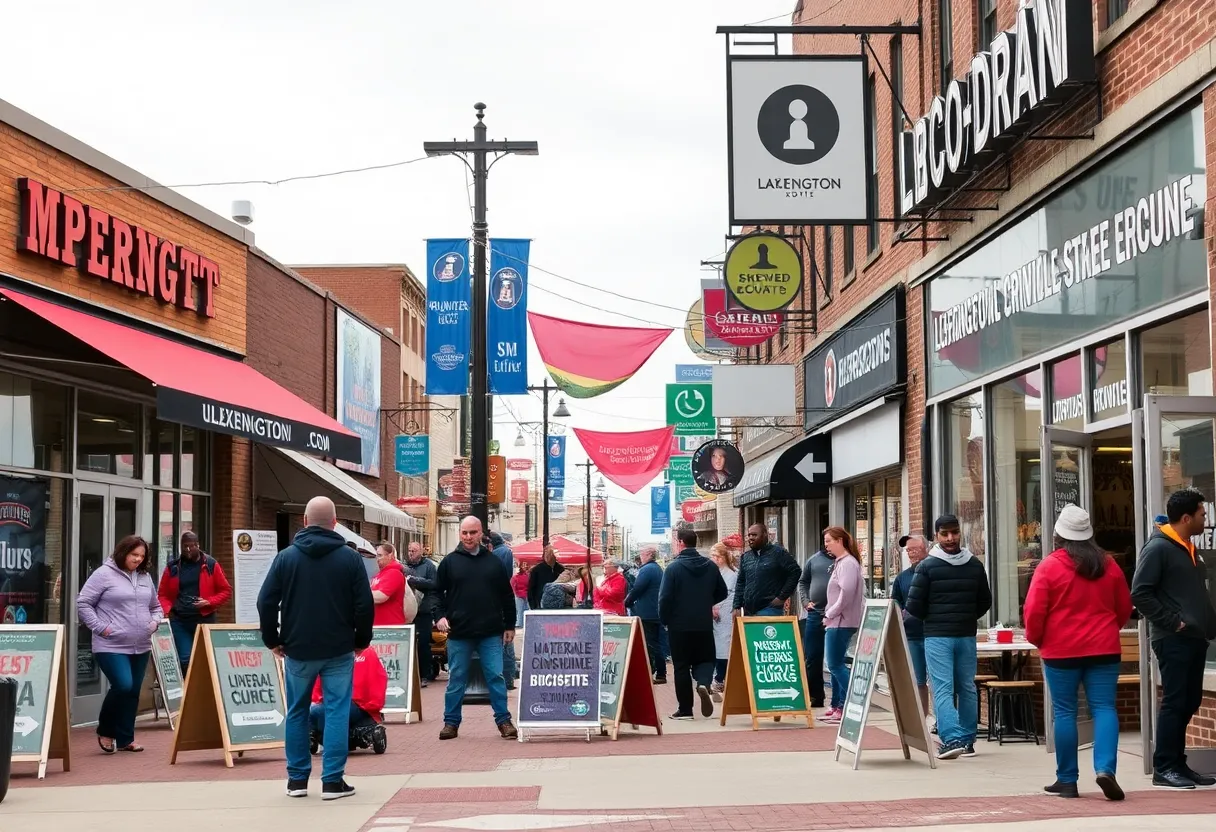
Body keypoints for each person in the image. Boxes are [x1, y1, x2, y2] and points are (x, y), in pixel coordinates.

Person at [257, 496, 374, 800]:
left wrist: (272, 639)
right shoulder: (350, 559)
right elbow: (364, 605)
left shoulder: (286, 557)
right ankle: (332, 781)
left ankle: (297, 780)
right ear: (335, 523)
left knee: (297, 712)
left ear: (305, 522)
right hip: (338, 647)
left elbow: (265, 601)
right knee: (336, 711)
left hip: (297, 647)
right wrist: (361, 640)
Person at [1025, 505, 1132, 801]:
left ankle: (1067, 780)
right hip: (1104, 648)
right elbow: (1124, 607)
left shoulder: (1048, 566)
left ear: (1058, 534)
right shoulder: (1109, 565)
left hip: (1061, 651)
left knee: (1065, 713)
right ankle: (1105, 770)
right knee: (1105, 708)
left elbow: (1034, 612)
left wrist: (1038, 640)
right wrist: (1109, 628)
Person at [1131, 488, 1216, 789]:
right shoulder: (1158, 549)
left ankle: (1178, 763)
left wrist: (1208, 625)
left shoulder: (1187, 548)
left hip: (1194, 638)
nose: (1205, 518)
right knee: (1175, 701)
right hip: (1173, 639)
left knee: (1189, 700)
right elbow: (1140, 593)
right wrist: (1175, 622)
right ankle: (1164, 767)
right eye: (1202, 513)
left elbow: (1196, 595)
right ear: (1186, 517)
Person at [905, 514, 992, 760]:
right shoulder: (973, 564)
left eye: (954, 532)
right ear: (936, 536)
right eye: (945, 534)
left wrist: (934, 619)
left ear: (959, 533)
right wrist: (965, 616)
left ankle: (953, 739)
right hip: (962, 633)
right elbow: (984, 602)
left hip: (941, 635)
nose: (951, 538)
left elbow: (914, 606)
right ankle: (966, 739)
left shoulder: (927, 566)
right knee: (965, 687)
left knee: (946, 688)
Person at [76, 535, 162, 754]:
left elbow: (156, 606)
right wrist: (102, 628)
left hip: (140, 644)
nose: (138, 560)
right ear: (123, 552)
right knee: (123, 685)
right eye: (134, 555)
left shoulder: (144, 577)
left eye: (142, 556)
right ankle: (105, 729)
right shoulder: (103, 574)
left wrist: (154, 623)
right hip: (110, 644)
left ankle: (126, 739)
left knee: (132, 691)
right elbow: (84, 603)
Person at [435, 516, 518, 740]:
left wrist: (509, 624)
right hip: (459, 633)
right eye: (464, 533)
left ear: (481, 533)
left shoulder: (493, 562)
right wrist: (439, 616)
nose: (468, 537)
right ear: (460, 534)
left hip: (490, 632)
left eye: (473, 532)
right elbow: (436, 593)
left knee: (496, 677)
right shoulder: (449, 562)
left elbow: (507, 596)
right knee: (457, 679)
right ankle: (451, 723)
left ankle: (504, 721)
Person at [660, 529, 728, 720]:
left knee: (681, 666)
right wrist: (706, 601)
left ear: (680, 542)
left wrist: (665, 619)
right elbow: (722, 592)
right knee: (705, 659)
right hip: (703, 623)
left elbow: (664, 598)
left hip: (679, 625)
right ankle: (704, 683)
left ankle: (685, 710)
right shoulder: (710, 566)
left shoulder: (673, 568)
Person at [157, 531, 231, 678]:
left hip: (204, 620)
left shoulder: (210, 564)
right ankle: (190, 694)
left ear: (198, 545)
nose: (188, 550)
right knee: (186, 659)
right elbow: (162, 594)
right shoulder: (172, 567)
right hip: (180, 621)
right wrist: (168, 609)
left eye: (192, 546)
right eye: (185, 547)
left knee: (206, 659)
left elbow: (226, 590)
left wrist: (209, 602)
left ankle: (204, 692)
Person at [309, 643, 388, 756]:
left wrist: (373, 704)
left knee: (316, 711)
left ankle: (319, 739)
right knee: (315, 711)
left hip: (356, 703)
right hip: (344, 702)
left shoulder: (364, 653)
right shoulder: (363, 652)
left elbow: (376, 679)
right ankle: (316, 738)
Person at [820, 527, 864, 724]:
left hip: (841, 621)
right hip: (837, 620)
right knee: (835, 663)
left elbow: (846, 594)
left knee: (835, 664)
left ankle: (852, 702)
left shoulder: (847, 564)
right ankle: (838, 704)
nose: (826, 544)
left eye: (829, 540)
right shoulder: (841, 563)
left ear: (840, 541)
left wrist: (830, 613)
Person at [890, 534, 930, 716]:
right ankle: (922, 717)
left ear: (926, 549)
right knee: (918, 680)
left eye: (915, 549)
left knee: (940, 682)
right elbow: (895, 603)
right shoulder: (902, 578)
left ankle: (941, 720)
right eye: (908, 550)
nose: (911, 553)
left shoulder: (934, 571)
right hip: (912, 635)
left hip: (934, 634)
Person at [732, 524, 800, 618]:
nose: (750, 538)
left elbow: (795, 572)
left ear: (764, 535)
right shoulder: (746, 557)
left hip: (769, 608)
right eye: (749, 535)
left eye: (754, 535)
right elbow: (740, 582)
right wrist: (737, 606)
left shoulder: (778, 553)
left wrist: (782, 597)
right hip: (748, 611)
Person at [797, 544, 834, 709]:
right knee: (812, 657)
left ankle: (840, 699)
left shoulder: (845, 560)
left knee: (835, 659)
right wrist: (805, 601)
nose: (828, 544)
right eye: (826, 540)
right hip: (815, 614)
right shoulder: (814, 560)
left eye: (831, 540)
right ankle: (816, 696)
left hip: (837, 616)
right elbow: (803, 582)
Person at [625, 545, 665, 683]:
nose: (640, 556)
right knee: (654, 642)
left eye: (642, 553)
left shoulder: (647, 569)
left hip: (647, 612)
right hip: (654, 611)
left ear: (649, 555)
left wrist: (627, 601)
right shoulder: (657, 569)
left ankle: (654, 673)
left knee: (650, 644)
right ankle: (660, 673)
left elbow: (638, 588)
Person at [404, 542, 440, 686]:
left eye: (414, 550)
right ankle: (409, 675)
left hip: (423, 610)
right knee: (408, 643)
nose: (411, 553)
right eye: (409, 550)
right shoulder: (404, 566)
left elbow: (434, 584)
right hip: (407, 610)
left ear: (421, 552)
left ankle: (424, 674)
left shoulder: (429, 566)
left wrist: (415, 581)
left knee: (423, 643)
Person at [488, 532, 518, 690]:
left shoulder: (494, 555)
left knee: (496, 645)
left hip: (494, 602)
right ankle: (509, 679)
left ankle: (500, 680)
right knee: (507, 644)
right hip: (504, 599)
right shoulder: (507, 552)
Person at [709, 543, 737, 697]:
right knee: (716, 646)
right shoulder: (715, 572)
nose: (713, 559)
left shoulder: (730, 575)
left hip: (724, 615)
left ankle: (720, 678)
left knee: (723, 646)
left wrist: (717, 607)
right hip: (715, 615)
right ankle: (717, 677)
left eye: (716, 556)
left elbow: (728, 595)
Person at [370, 542, 409, 626]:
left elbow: (381, 597)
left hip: (390, 626)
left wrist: (358, 594)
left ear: (390, 556)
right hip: (380, 625)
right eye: (376, 555)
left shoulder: (394, 573)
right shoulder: (379, 574)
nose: (377, 559)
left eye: (380, 555)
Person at [527, 546, 562, 611]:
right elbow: (531, 588)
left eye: (550, 554)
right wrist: (533, 606)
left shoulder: (560, 569)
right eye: (546, 554)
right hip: (541, 605)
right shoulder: (537, 569)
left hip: (558, 604)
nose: (548, 556)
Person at [511, 563, 530, 627]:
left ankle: (520, 624)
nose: (525, 566)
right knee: (524, 610)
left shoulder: (527, 576)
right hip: (521, 595)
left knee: (521, 610)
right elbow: (513, 586)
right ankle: (522, 624)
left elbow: (512, 585)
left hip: (522, 595)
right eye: (523, 565)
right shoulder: (527, 576)